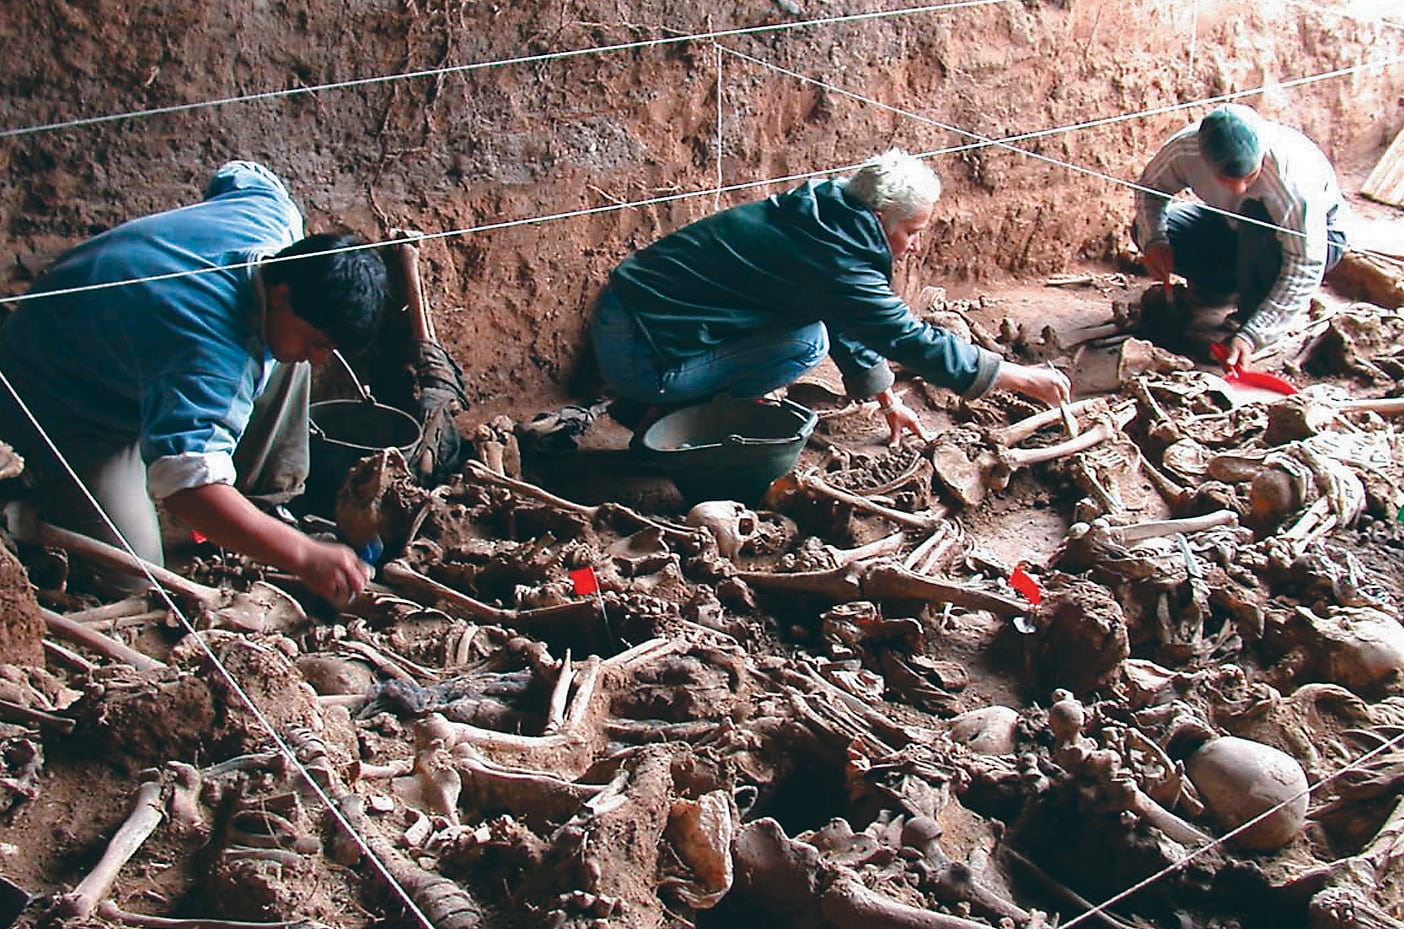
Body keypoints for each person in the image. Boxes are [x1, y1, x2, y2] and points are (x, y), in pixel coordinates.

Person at [0, 161, 389, 605]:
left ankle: (263, 505)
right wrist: (302, 555)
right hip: (60, 398)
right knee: (136, 583)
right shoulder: (207, 357)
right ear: (281, 294)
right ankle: (31, 498)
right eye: (318, 341)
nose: (321, 358)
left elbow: (243, 173)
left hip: (111, 340)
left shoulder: (272, 220)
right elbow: (186, 489)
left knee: (291, 356)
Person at [591, 148, 1071, 445]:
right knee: (808, 343)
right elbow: (904, 337)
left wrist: (885, 399)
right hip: (640, 352)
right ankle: (681, 418)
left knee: (814, 329)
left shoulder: (825, 217)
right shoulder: (836, 256)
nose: (917, 244)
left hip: (639, 320)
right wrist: (1019, 377)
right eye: (912, 231)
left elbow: (848, 312)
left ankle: (669, 407)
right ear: (881, 218)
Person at [1132, 103, 1349, 367]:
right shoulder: (1185, 149)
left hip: (1313, 240)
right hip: (1231, 223)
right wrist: (1154, 240)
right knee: (1150, 229)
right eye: (1225, 180)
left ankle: (1252, 313)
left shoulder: (1290, 182)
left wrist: (1254, 334)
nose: (1239, 188)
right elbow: (1150, 189)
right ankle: (1220, 288)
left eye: (1250, 177)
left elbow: (1305, 265)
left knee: (1256, 215)